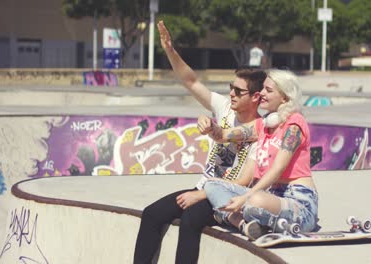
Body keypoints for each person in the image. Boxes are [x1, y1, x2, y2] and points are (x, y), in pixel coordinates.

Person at [133, 21, 267, 264]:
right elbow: (191, 81)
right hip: (203, 188)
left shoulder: (261, 131)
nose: (231, 95)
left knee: (191, 219)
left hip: (227, 197)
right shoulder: (224, 107)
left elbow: (241, 182)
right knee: (152, 214)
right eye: (231, 88)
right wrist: (170, 50)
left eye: (238, 91)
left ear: (256, 97)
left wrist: (202, 195)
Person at [198, 69, 319, 241]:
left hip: (299, 201)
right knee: (211, 185)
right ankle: (244, 224)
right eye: (263, 89)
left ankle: (240, 216)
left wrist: (245, 197)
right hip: (270, 197)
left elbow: (277, 169)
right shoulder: (263, 125)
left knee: (253, 202)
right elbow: (223, 135)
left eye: (268, 91)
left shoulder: (294, 125)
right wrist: (208, 125)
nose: (261, 93)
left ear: (284, 98)